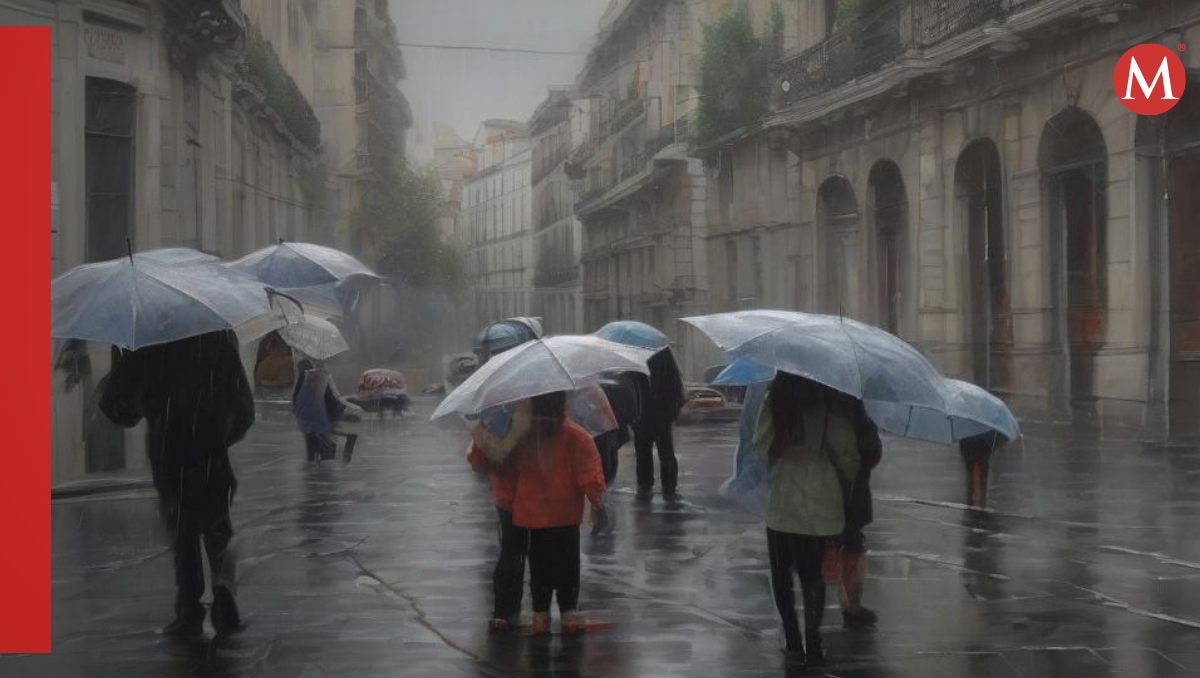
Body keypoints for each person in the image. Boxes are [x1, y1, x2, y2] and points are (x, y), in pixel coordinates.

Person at [100, 330, 254, 638]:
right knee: (217, 530)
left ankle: (189, 610)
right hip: (209, 453)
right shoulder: (216, 337)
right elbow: (244, 411)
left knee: (184, 534)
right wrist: (218, 436)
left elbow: (117, 407)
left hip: (170, 453)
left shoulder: (146, 341)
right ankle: (225, 607)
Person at [754, 373, 860, 665]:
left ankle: (792, 639)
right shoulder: (828, 401)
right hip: (820, 502)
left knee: (781, 574)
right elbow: (846, 451)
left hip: (784, 502)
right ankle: (814, 639)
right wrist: (846, 477)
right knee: (812, 575)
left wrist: (781, 453)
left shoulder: (774, 398)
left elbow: (761, 446)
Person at [510, 391, 608, 635]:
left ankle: (540, 616)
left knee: (539, 566)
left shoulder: (521, 435)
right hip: (564, 514)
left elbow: (504, 468)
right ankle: (568, 615)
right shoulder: (575, 436)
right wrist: (597, 503)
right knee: (567, 566)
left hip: (532, 513)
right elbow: (590, 474)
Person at [829, 391, 882, 630]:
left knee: (826, 544)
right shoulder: (856, 409)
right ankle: (852, 606)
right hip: (851, 493)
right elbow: (872, 453)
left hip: (821, 490)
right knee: (852, 545)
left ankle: (816, 611)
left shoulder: (815, 404)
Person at [633, 348, 685, 499]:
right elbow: (678, 393)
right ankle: (667, 485)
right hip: (658, 417)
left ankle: (647, 484)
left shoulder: (638, 364)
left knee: (646, 453)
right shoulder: (665, 362)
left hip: (646, 417)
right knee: (665, 453)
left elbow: (632, 391)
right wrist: (671, 414)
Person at [292, 358, 357, 466]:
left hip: (309, 422)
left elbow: (296, 399)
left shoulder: (303, 380)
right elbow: (331, 398)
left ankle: (315, 467)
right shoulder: (321, 378)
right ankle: (326, 467)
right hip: (321, 420)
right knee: (326, 451)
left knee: (313, 450)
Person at [960, 430, 1007, 508]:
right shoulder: (988, 427)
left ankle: (971, 499)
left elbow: (963, 440)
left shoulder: (967, 425)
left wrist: (964, 452)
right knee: (982, 477)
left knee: (971, 477)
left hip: (973, 452)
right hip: (982, 452)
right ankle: (981, 499)